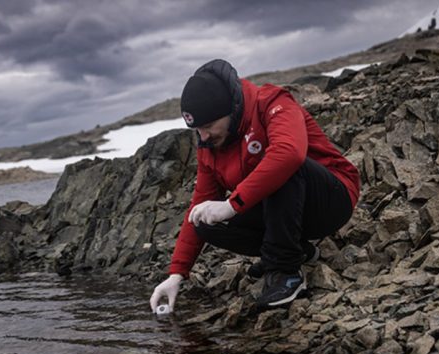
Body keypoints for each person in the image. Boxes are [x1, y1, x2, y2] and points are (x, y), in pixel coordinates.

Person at [149, 59, 360, 313]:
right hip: (286, 211)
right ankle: (298, 250)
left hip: (332, 200)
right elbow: (198, 202)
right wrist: (176, 274)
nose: (203, 137)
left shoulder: (272, 103)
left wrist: (231, 205)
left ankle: (286, 271)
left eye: (207, 126)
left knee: (281, 165)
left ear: (230, 110)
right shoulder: (210, 146)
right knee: (202, 220)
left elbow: (290, 154)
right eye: (197, 129)